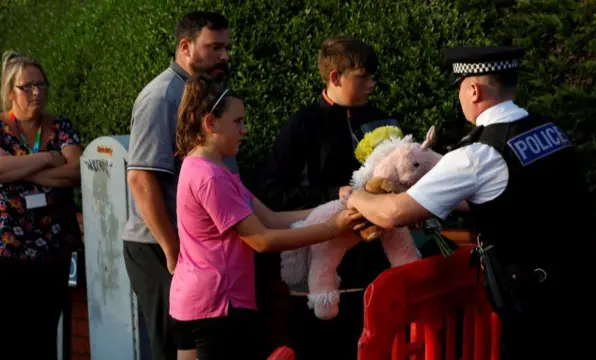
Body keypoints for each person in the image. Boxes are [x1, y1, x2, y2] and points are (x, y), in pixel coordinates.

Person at [346, 45, 596, 359]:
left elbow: (394, 214)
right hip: (594, 294)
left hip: (542, 316)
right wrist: (440, 204)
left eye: (459, 90)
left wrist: (352, 195)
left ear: (473, 89)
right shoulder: (548, 130)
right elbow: (522, 198)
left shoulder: (480, 152)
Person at [169, 74, 362, 360]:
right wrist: (332, 228)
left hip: (193, 301)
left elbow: (271, 218)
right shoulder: (211, 177)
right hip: (218, 305)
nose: (244, 130)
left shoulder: (212, 169)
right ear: (210, 123)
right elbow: (262, 239)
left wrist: (336, 207)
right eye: (238, 122)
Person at [254, 35, 405, 359]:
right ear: (335, 77)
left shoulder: (384, 119)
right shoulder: (303, 125)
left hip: (375, 261)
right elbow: (272, 190)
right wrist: (331, 194)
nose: (372, 84)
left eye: (373, 76)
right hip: (321, 270)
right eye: (363, 76)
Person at [121, 11, 232, 360]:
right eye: (214, 47)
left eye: (226, 47)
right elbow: (141, 179)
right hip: (157, 246)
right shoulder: (162, 97)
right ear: (185, 47)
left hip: (190, 246)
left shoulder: (203, 92)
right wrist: (172, 250)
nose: (224, 56)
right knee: (174, 349)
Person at [0, 50, 83, 358]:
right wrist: (49, 158)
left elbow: (76, 171)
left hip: (55, 248)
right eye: (27, 86)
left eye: (41, 84)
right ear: (10, 92)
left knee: (45, 333)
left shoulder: (60, 126)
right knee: (12, 333)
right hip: (9, 251)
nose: (37, 92)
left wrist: (21, 171)